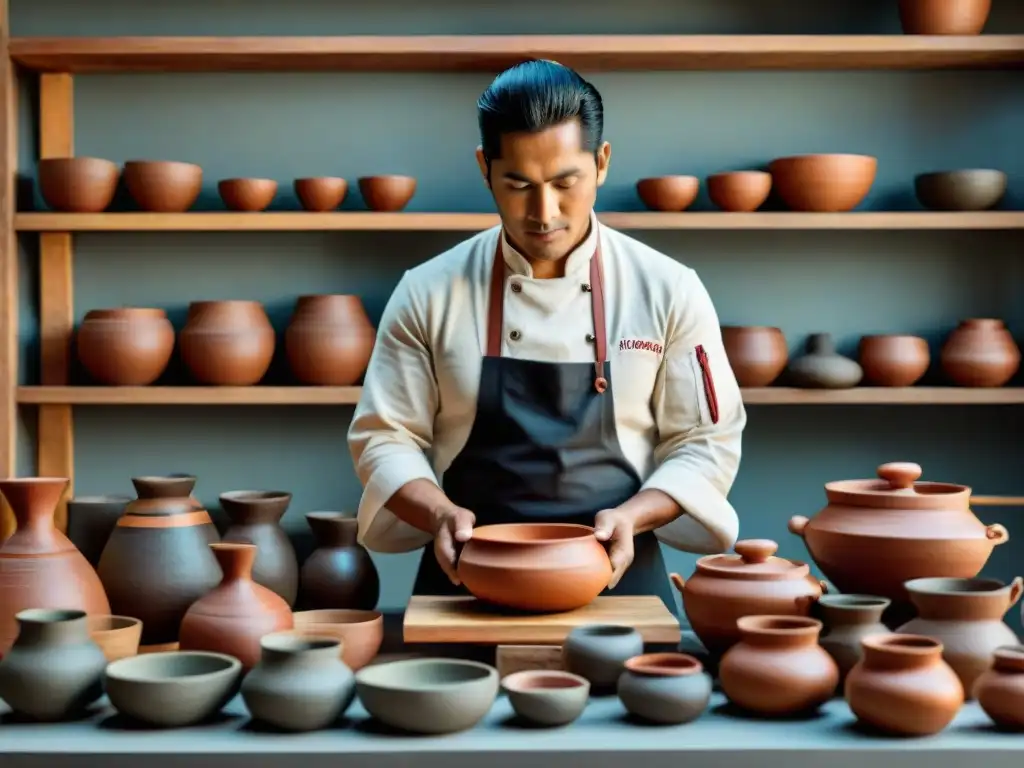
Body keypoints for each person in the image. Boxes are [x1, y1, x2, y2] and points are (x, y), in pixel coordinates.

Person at [347, 59, 746, 613]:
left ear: (602, 163)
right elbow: (384, 436)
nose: (544, 213)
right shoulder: (427, 292)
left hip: (617, 580)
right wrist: (439, 512)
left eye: (566, 183)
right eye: (518, 185)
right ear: (485, 168)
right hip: (467, 580)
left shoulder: (668, 290)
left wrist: (634, 516)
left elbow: (705, 442)